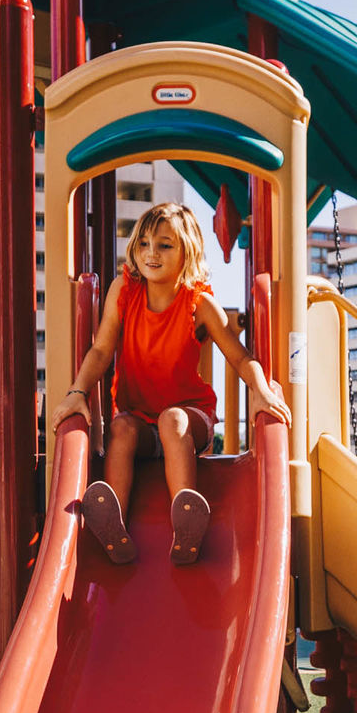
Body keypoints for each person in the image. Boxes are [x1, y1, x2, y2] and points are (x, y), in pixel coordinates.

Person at [59, 202, 285, 566]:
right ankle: (112, 520)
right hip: (141, 421)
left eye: (165, 245)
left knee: (172, 420)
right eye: (144, 243)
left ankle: (187, 519)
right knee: (121, 427)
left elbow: (241, 357)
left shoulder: (198, 303)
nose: (151, 253)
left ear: (187, 252)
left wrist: (260, 389)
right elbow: (101, 350)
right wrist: (77, 392)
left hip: (189, 420)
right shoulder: (124, 292)